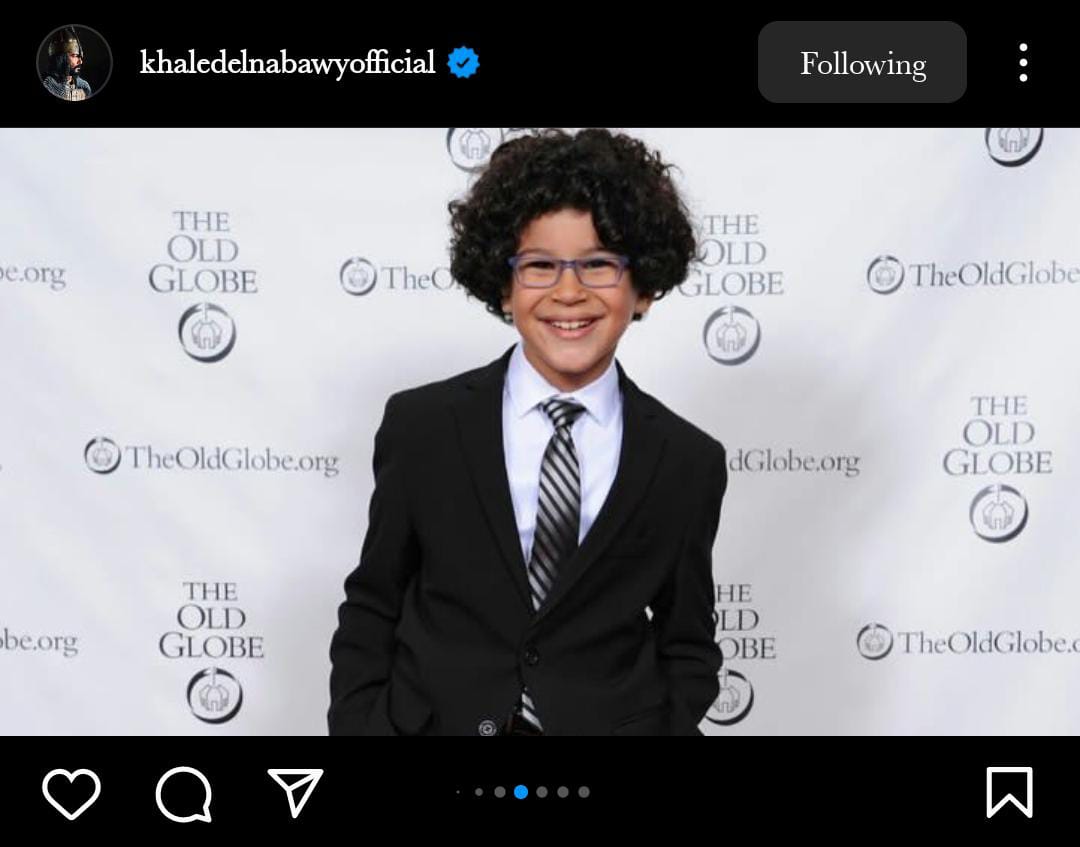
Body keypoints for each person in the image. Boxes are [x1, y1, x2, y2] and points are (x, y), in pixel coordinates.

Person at [328, 128, 728, 735]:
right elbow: (374, 602)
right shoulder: (423, 427)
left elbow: (687, 640)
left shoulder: (686, 460)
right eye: (540, 266)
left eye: (599, 264)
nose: (569, 292)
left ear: (643, 287)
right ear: (504, 285)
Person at [42, 27, 92, 101]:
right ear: (61, 59)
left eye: (80, 57)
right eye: (75, 56)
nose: (80, 62)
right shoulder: (48, 83)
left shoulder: (83, 85)